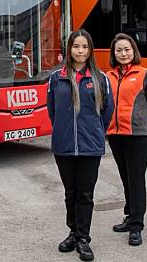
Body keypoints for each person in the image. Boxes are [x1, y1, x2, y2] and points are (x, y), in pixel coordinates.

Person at [47, 29, 114, 261]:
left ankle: (83, 238)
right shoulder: (57, 78)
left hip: (90, 147)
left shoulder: (100, 78)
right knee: (70, 192)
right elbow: (52, 111)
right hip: (63, 146)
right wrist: (63, 131)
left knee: (85, 193)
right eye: (76, 46)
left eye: (85, 47)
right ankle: (73, 232)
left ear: (90, 50)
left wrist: (94, 133)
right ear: (69, 49)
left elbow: (106, 113)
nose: (80, 51)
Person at [106, 33, 147, 246]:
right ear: (114, 54)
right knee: (126, 178)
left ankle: (136, 226)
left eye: (127, 49)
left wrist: (142, 121)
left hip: (136, 135)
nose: (123, 54)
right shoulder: (107, 76)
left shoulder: (145, 74)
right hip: (115, 135)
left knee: (136, 180)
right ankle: (130, 216)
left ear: (133, 51)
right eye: (119, 50)